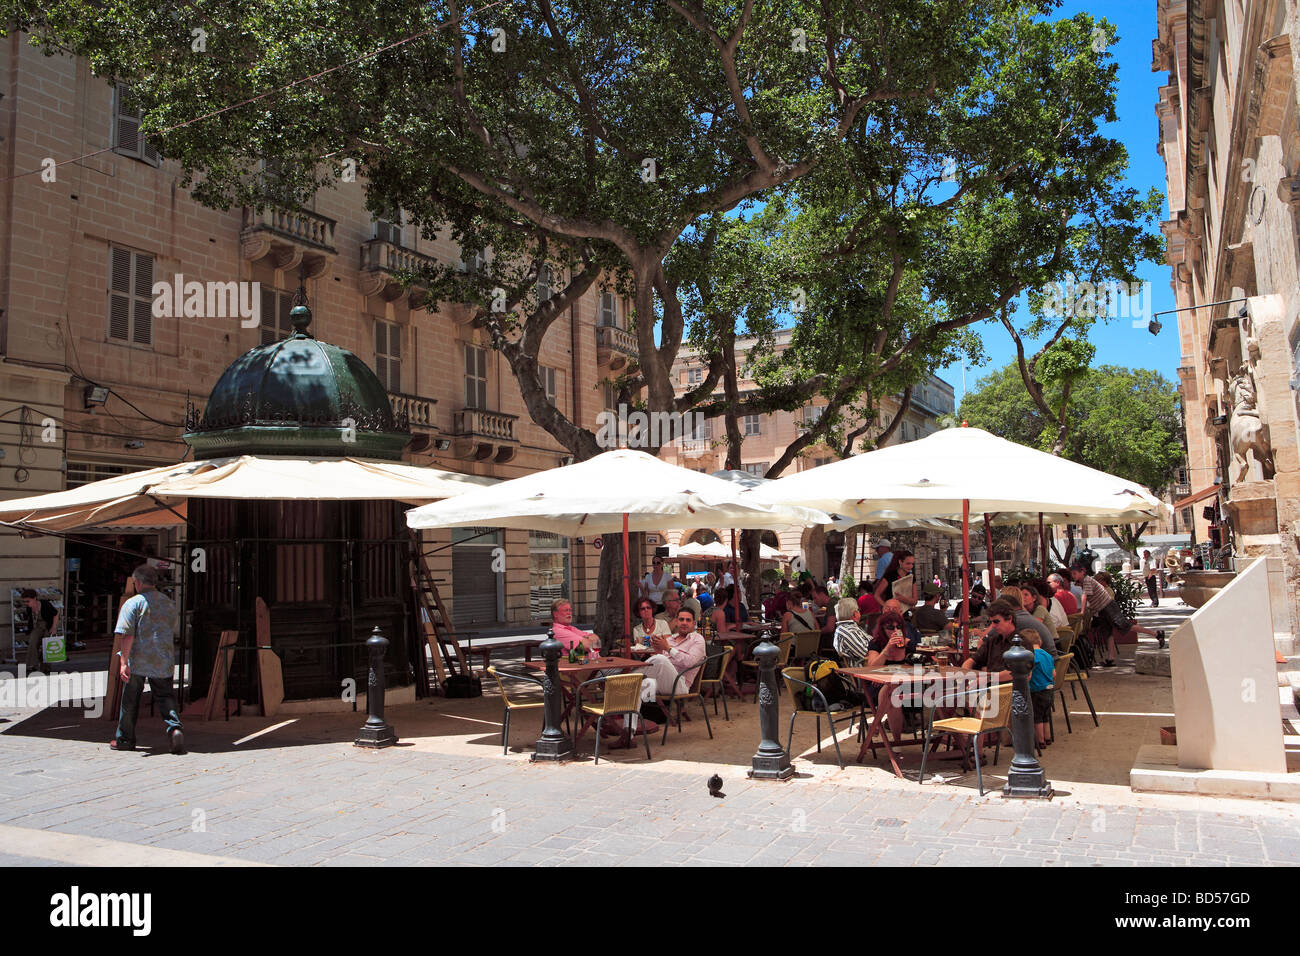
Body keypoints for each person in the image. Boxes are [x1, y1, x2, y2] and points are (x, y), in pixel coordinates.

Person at [112, 565, 184, 754]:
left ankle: (125, 739)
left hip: (139, 660)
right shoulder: (168, 603)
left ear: (138, 582)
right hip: (163, 659)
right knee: (165, 697)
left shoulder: (133, 603)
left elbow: (126, 635)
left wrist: (123, 662)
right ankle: (175, 728)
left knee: (130, 701)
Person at [640, 607, 708, 701]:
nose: (684, 622)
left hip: (680, 684)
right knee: (637, 688)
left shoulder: (698, 639)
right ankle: (631, 714)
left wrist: (668, 649)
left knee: (660, 660)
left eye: (688, 620)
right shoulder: (670, 639)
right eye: (681, 619)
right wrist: (658, 650)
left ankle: (631, 677)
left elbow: (689, 662)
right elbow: (662, 663)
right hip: (662, 681)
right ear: (676, 622)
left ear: (694, 623)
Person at [1093, 571, 1166, 652]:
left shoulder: (1107, 591)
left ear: (1103, 581)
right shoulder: (1104, 590)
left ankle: (1156, 634)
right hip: (1110, 616)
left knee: (1130, 627)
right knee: (1130, 628)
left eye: (1097, 581)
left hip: (1112, 616)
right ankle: (1156, 634)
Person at [960, 600, 1019, 681]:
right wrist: (966, 674)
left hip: (1010, 691)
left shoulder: (1022, 643)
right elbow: (971, 661)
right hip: (990, 689)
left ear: (1009, 619)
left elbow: (1016, 672)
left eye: (996, 622)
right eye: (991, 622)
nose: (993, 626)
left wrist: (987, 678)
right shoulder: (991, 641)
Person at [997, 586, 1056, 653]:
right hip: (1048, 656)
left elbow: (992, 634)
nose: (1024, 597)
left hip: (1043, 660)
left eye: (1026, 595)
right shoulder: (1024, 614)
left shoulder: (1018, 618)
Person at [1024, 629, 1055, 748]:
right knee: (1045, 716)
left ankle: (1040, 741)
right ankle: (1048, 738)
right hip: (1049, 689)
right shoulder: (1047, 655)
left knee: (1037, 717)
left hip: (1037, 690)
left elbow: (1029, 674)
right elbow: (1054, 673)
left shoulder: (1032, 656)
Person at [19, 588, 58, 674]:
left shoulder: (45, 604)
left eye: (28, 601)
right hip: (37, 627)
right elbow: (31, 621)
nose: (27, 603)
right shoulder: (29, 608)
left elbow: (55, 614)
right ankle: (32, 665)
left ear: (35, 598)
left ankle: (46, 667)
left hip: (47, 626)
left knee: (46, 645)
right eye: (25, 601)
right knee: (32, 643)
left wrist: (54, 627)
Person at [832, 597, 871, 666]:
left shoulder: (848, 628)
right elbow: (866, 653)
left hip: (869, 665)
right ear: (855, 614)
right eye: (858, 610)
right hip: (864, 670)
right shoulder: (847, 631)